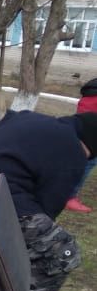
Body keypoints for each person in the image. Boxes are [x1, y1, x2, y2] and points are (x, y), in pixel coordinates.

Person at [0, 107, 97, 291]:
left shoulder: (28, 117)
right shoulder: (72, 153)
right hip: (0, 204)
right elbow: (48, 208)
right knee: (63, 251)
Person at [65, 77, 97, 212]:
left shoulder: (90, 90)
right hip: (91, 132)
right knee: (88, 162)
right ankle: (69, 197)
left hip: (80, 127)